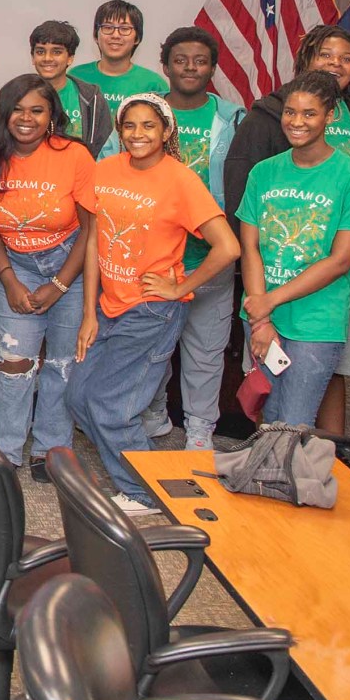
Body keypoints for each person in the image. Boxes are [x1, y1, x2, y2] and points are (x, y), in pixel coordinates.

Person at [68, 96, 240, 515]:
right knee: (76, 396)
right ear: (119, 131)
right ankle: (137, 471)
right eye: (130, 126)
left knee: (111, 407)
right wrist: (89, 313)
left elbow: (228, 247)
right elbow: (92, 241)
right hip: (109, 306)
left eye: (149, 126)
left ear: (166, 132)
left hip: (151, 311)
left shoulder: (180, 180)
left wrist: (180, 285)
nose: (138, 134)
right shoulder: (103, 171)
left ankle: (146, 492)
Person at [225, 24, 350, 430]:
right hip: (262, 309)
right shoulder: (263, 172)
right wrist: (260, 317)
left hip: (315, 317)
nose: (297, 122)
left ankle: (294, 486)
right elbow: (251, 246)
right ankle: (264, 485)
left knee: (292, 421)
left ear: (329, 116)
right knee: (264, 413)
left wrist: (268, 305)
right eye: (291, 112)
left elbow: (341, 260)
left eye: (309, 114)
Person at [132, 25, 243, 450]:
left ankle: (199, 431)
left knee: (205, 353)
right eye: (181, 60)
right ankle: (156, 415)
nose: (190, 68)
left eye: (200, 60)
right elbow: (113, 167)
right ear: (166, 66)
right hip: (157, 257)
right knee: (153, 350)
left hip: (210, 256)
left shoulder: (234, 118)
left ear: (213, 68)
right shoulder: (144, 114)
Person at [0, 75, 93, 476]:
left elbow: (89, 230)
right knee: (14, 361)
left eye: (37, 110)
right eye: (18, 109)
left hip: (70, 265)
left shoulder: (74, 155)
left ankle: (51, 449)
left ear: (52, 116)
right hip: (15, 265)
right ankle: (5, 450)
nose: (25, 118)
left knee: (62, 363)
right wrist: (9, 278)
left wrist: (60, 283)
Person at [69, 0, 168, 122]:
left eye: (125, 28)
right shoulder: (75, 76)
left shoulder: (153, 84)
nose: (115, 35)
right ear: (95, 35)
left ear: (137, 38)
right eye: (107, 27)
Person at [28, 21, 110, 154]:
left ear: (70, 58)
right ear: (33, 57)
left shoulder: (91, 99)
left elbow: (104, 151)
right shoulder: (19, 97)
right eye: (40, 51)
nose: (47, 58)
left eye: (57, 52)